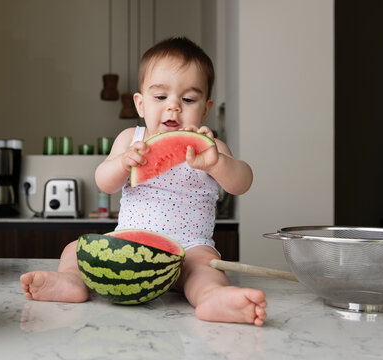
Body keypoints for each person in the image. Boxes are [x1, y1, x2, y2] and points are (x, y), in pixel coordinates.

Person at [21, 37, 267, 326]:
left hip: (190, 247)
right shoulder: (130, 140)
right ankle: (72, 282)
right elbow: (104, 182)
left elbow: (242, 182)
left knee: (205, 269)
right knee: (74, 250)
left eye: (188, 99)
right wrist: (123, 162)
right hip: (129, 245)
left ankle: (212, 297)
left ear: (206, 108)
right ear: (140, 103)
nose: (173, 107)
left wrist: (217, 163)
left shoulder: (210, 148)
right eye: (160, 97)